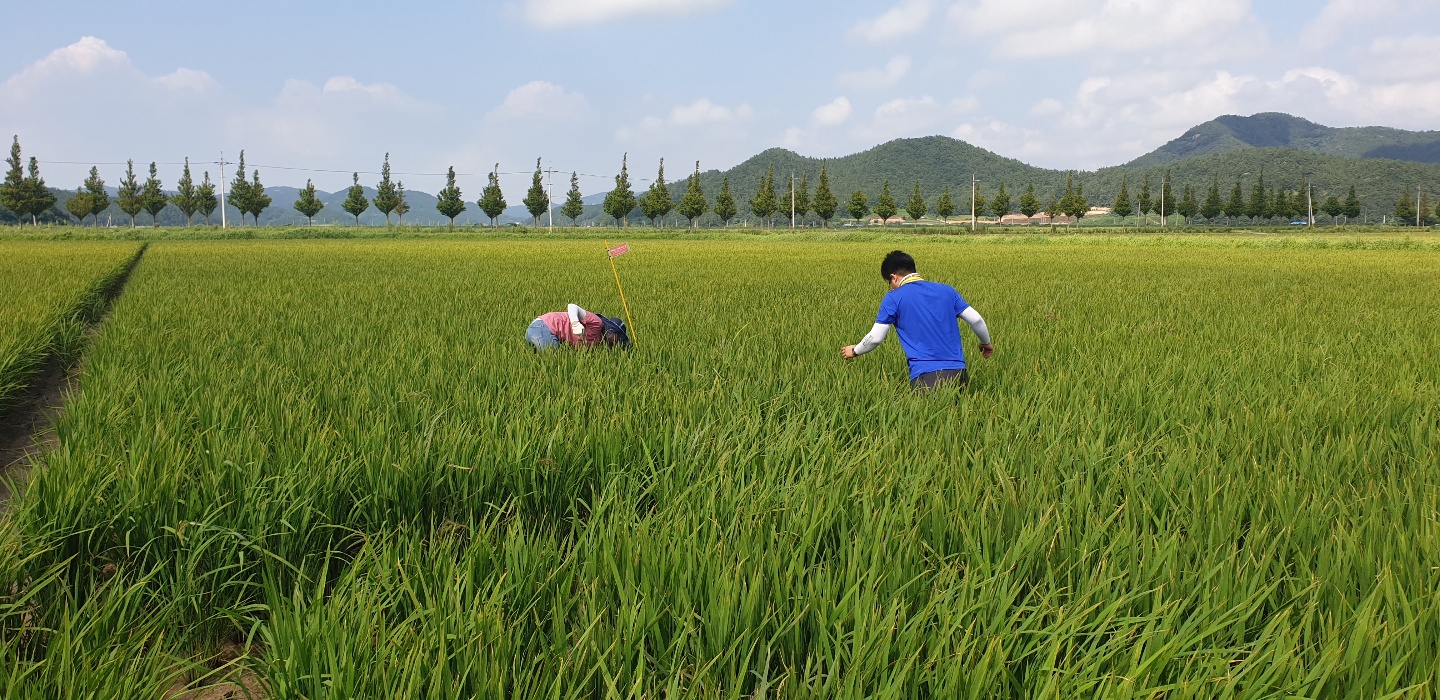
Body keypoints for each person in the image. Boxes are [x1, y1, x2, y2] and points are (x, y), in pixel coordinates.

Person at [841, 250, 993, 391]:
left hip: (926, 377)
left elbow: (875, 338)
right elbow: (977, 320)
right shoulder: (947, 290)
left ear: (893, 277)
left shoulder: (894, 298)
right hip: (959, 373)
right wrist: (985, 343)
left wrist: (855, 351)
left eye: (890, 282)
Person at [526, 304, 631, 350]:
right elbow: (572, 306)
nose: (613, 338)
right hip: (543, 327)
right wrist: (575, 323)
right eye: (614, 334)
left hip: (547, 336)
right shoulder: (597, 322)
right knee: (553, 361)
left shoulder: (598, 345)